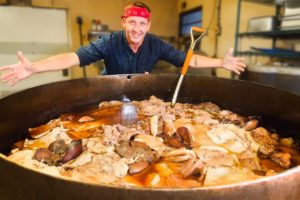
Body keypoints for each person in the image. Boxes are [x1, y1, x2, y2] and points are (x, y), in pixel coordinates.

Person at [0, 1, 245, 86]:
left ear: (148, 26)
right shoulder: (109, 42)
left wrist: (221, 62)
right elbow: (73, 57)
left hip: (140, 92)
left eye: (142, 24)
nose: (137, 29)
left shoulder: (155, 44)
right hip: (109, 91)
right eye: (132, 22)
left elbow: (188, 58)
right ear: (124, 22)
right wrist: (35, 68)